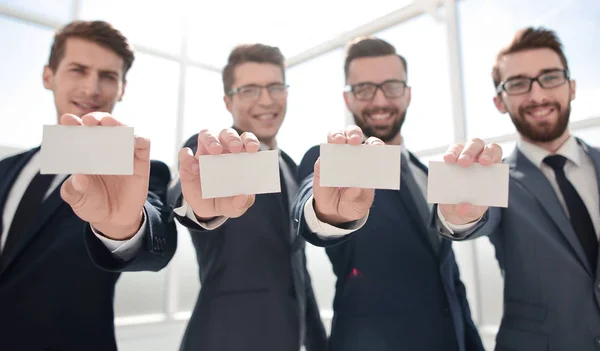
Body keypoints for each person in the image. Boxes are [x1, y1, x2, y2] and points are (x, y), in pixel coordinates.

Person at [87, 43, 328, 351]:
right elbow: (183, 195)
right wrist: (199, 207)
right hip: (224, 338)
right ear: (228, 101)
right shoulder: (212, 150)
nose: (266, 100)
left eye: (275, 87)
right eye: (250, 89)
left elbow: (299, 271)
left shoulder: (291, 166)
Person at [291, 36, 484, 351]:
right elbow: (310, 207)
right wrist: (330, 214)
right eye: (364, 89)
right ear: (348, 99)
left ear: (407, 94)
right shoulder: (331, 162)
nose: (379, 101)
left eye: (391, 87)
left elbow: (448, 279)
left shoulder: (428, 174)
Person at [0, 20, 175, 351]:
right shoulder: (6, 169)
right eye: (78, 70)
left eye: (108, 76)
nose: (92, 88)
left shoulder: (135, 170)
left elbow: (156, 249)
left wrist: (122, 226)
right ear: (48, 76)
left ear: (122, 88)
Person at [434, 26, 600, 350]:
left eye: (550, 77)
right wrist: (458, 210)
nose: (537, 96)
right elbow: (469, 219)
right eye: (519, 84)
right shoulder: (496, 178)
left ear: (572, 87)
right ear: (500, 101)